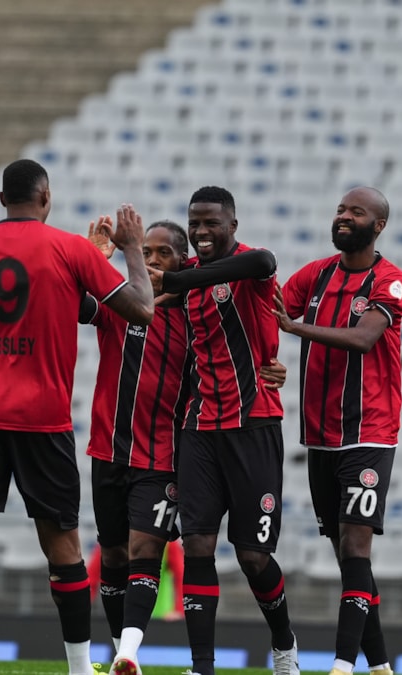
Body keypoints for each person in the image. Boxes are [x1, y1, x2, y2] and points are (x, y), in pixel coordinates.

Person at [0, 160, 155, 675]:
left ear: (2, 200)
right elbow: (141, 308)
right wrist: (133, 247)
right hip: (42, 421)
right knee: (62, 545)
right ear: (45, 197)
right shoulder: (71, 250)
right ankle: (77, 669)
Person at [81, 218, 288, 675]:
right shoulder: (120, 303)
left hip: (162, 457)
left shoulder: (195, 319)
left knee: (146, 551)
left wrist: (269, 368)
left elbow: (233, 354)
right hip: (107, 449)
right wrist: (93, 258)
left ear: (183, 262)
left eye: (163, 254)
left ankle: (131, 652)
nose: (152, 261)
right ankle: (120, 652)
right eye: (146, 253)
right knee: (112, 555)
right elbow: (75, 307)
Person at [148, 186, 299, 675]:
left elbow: (263, 261)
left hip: (254, 423)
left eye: (211, 222)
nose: (201, 232)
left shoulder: (251, 267)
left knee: (254, 556)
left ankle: (284, 645)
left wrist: (179, 276)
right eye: (195, 223)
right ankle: (202, 667)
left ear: (232, 224)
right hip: (199, 427)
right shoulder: (187, 278)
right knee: (197, 546)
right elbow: (140, 294)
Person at [271, 187, 402, 675]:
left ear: (379, 226)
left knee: (355, 547)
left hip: (369, 433)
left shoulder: (389, 281)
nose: (345, 217)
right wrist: (271, 355)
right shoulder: (317, 275)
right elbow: (270, 313)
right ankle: (380, 667)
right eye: (341, 210)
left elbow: (365, 338)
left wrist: (295, 329)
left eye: (357, 212)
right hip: (320, 436)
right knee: (350, 558)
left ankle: (341, 666)